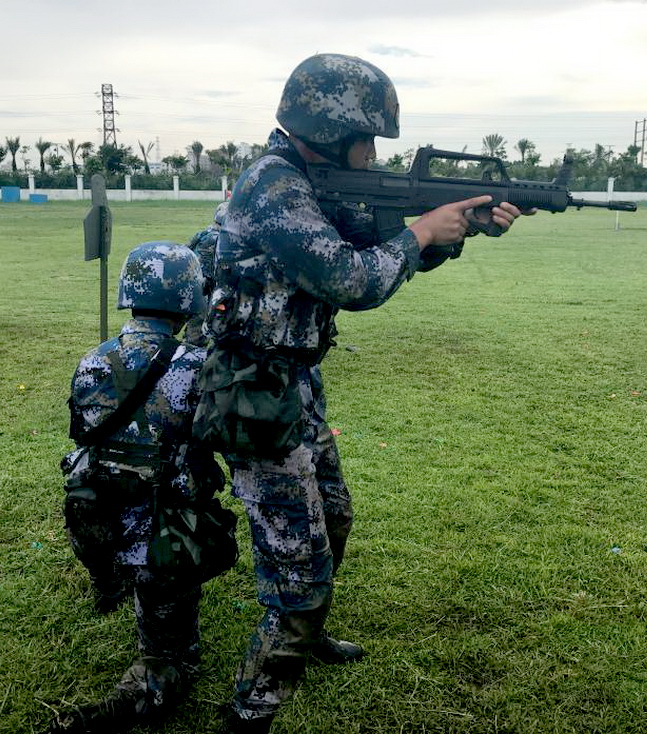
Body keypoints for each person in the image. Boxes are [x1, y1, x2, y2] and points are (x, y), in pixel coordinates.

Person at [202, 53, 530, 733]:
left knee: (336, 516)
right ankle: (250, 710)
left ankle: (309, 635)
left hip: (293, 383)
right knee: (299, 562)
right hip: (253, 391)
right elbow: (354, 281)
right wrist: (419, 235)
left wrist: (454, 230)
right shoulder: (275, 187)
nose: (375, 151)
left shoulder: (311, 182)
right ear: (326, 126)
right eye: (368, 135)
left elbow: (372, 240)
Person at [53, 241, 225, 734]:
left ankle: (109, 583)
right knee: (175, 656)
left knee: (135, 585)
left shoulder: (93, 359)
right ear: (189, 295)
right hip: (164, 533)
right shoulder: (196, 365)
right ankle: (122, 706)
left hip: (100, 516)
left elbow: (85, 431)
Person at [183, 201, 228, 347]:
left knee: (196, 321)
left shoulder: (202, 233)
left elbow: (184, 251)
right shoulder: (224, 239)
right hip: (210, 286)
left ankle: (189, 348)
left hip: (193, 283)